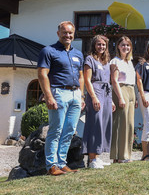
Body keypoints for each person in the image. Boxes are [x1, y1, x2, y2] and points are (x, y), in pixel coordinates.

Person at [37, 21, 85, 176]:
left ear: (74, 34)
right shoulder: (48, 51)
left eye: (70, 33)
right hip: (58, 93)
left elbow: (81, 76)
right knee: (55, 130)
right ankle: (51, 166)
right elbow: (42, 74)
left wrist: (81, 95)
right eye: (65, 32)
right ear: (58, 33)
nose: (68, 35)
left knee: (69, 131)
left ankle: (62, 164)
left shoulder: (78, 54)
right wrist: (48, 95)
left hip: (75, 94)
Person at [82, 35, 114, 169]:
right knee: (94, 124)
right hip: (96, 92)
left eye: (103, 45)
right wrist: (94, 97)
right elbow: (87, 79)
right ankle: (91, 159)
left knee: (103, 125)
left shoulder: (106, 62)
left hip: (106, 93)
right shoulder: (90, 59)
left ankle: (98, 157)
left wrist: (111, 100)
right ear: (94, 45)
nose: (101, 47)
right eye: (99, 44)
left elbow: (109, 81)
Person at [110, 36, 136, 163]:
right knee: (121, 124)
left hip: (131, 91)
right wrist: (120, 97)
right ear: (118, 47)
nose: (125, 47)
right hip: (121, 90)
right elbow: (114, 81)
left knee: (130, 124)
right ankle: (119, 156)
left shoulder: (130, 62)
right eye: (123, 45)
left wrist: (134, 97)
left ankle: (127, 154)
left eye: (128, 45)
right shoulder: (115, 61)